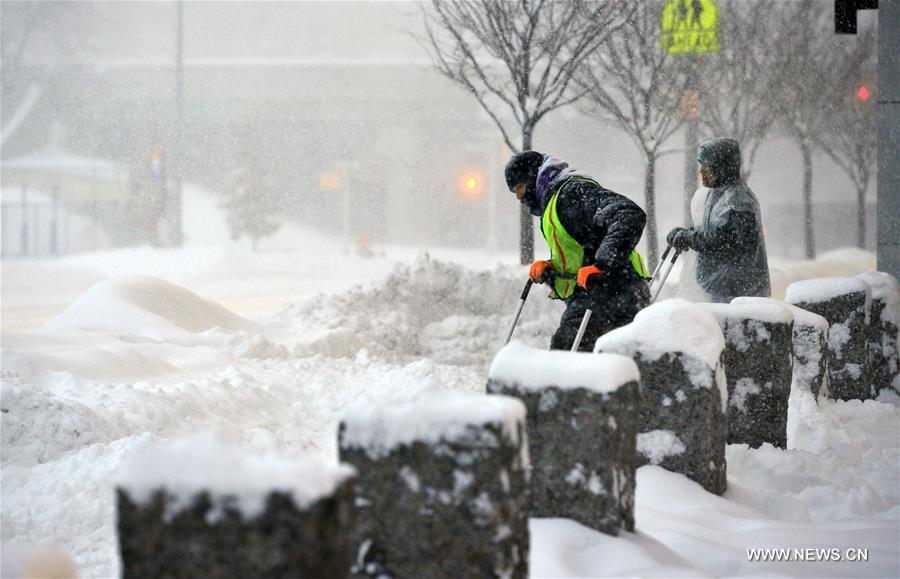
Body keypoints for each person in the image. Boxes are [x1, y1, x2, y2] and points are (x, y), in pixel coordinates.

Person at [505, 151, 650, 352]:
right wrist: (551, 268)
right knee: (592, 365)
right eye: (515, 192)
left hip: (610, 295)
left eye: (520, 187)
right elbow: (582, 248)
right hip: (600, 295)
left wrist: (602, 265)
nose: (519, 196)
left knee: (566, 360)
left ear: (533, 177)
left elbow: (628, 214)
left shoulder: (572, 192)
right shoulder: (554, 201)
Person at [667, 137, 771, 303]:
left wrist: (689, 237)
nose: (701, 171)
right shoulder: (719, 193)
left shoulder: (738, 199)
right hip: (726, 288)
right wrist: (688, 233)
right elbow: (715, 232)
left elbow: (723, 240)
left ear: (720, 166)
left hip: (739, 294)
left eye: (705, 166)